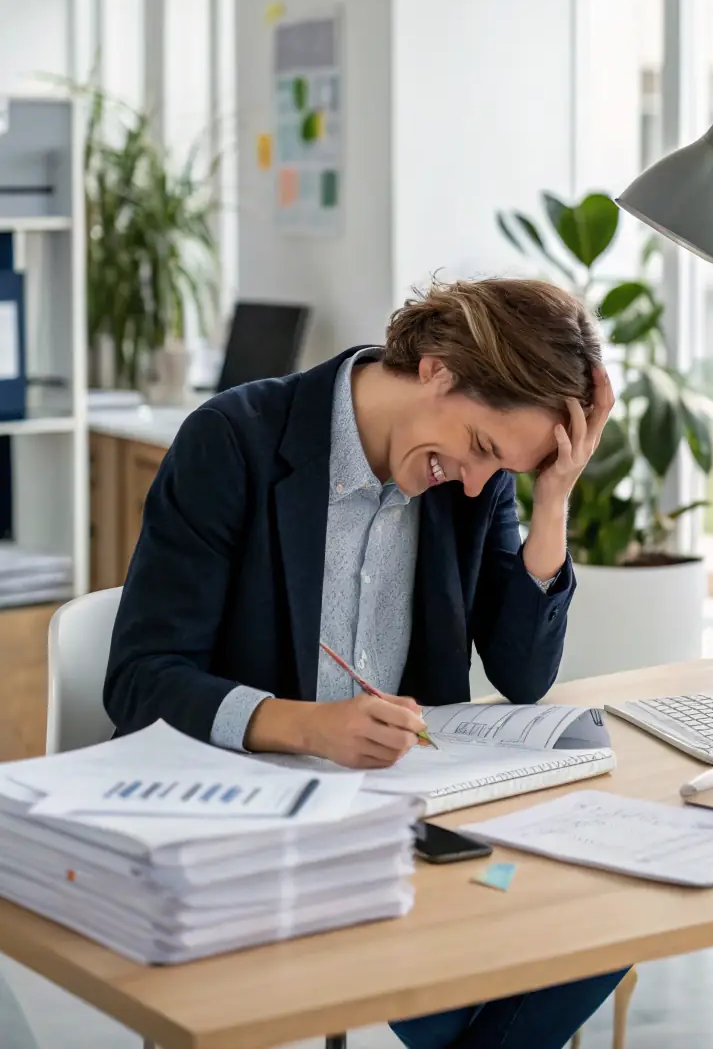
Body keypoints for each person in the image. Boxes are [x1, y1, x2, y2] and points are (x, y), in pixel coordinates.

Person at [104, 277, 624, 1049]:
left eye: (501, 469)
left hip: (415, 832)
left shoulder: (472, 483)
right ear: (439, 367)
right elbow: (139, 679)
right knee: (461, 1001)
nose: (479, 481)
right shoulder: (232, 441)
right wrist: (306, 725)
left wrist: (552, 501)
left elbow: (523, 673)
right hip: (257, 827)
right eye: (481, 446)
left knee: (602, 928)